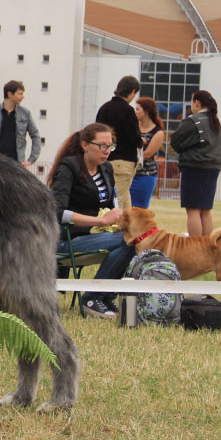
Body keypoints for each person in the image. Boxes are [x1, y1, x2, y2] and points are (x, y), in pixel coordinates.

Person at [48, 122, 135, 319]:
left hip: (96, 236)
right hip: (66, 239)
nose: (107, 151)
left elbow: (112, 203)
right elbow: (58, 212)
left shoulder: (106, 170)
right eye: (102, 146)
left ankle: (104, 296)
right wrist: (101, 221)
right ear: (85, 145)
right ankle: (92, 297)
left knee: (133, 239)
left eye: (110, 146)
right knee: (128, 241)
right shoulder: (68, 167)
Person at [170, 90, 221, 237]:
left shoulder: (194, 121)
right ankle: (207, 246)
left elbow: (175, 142)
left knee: (193, 210)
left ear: (196, 103)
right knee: (205, 210)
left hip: (194, 168)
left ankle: (196, 246)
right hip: (212, 168)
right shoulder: (216, 122)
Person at [96, 75, 142, 210]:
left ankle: (129, 231)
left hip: (105, 159)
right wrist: (141, 141)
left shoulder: (104, 108)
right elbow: (134, 138)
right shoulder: (128, 111)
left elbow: (96, 131)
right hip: (124, 161)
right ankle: (113, 230)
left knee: (126, 204)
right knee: (118, 202)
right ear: (132, 91)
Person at [129, 97, 165, 208]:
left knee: (140, 208)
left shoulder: (157, 132)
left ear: (146, 111)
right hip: (129, 172)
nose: (135, 112)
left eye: (138, 109)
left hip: (145, 175)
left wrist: (127, 155)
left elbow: (147, 154)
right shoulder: (133, 127)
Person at [0, 79, 41, 165]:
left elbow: (35, 136)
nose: (22, 97)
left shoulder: (25, 113)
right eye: (20, 94)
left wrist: (31, 159)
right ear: (10, 94)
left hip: (16, 163)